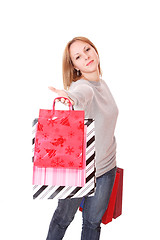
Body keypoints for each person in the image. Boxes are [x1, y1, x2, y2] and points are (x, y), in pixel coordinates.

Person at [46, 36, 119, 240]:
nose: (86, 56)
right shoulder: (82, 87)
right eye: (78, 56)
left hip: (106, 169)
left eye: (87, 50)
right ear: (75, 66)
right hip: (80, 170)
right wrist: (69, 96)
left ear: (95, 50)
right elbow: (80, 95)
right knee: (62, 218)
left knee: (92, 224)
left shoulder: (102, 84)